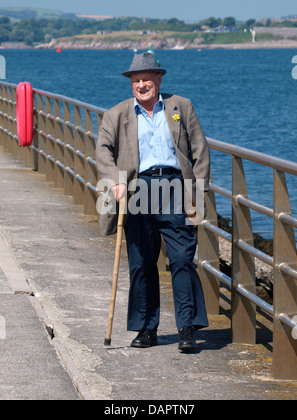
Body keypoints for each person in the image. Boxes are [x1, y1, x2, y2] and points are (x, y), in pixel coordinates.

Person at [96, 52, 210, 352]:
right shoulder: (117, 114)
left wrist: (197, 193)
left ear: (159, 79)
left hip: (175, 187)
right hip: (138, 189)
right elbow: (103, 150)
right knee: (142, 262)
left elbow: (200, 150)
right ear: (130, 83)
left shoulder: (180, 107)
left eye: (147, 78)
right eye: (136, 80)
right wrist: (114, 180)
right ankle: (146, 329)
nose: (142, 84)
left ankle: (187, 328)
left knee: (182, 259)